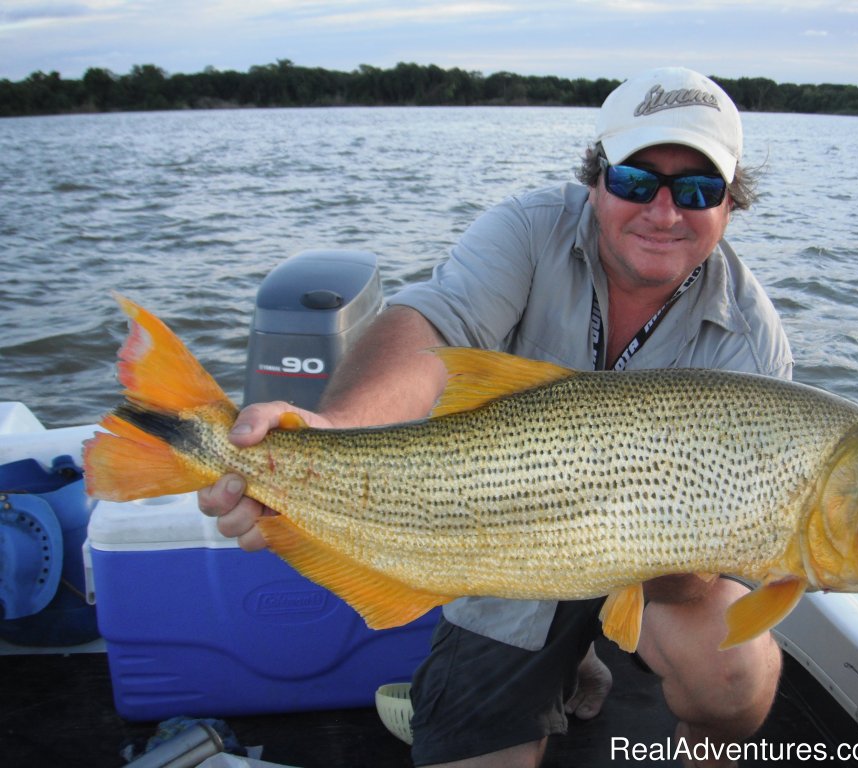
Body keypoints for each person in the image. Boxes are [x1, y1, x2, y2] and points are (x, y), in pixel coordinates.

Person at [199, 66, 792, 768]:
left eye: (697, 190)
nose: (663, 213)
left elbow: (718, 562)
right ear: (597, 180)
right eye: (636, 181)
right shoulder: (528, 228)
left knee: (738, 675)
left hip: (657, 575)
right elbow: (431, 327)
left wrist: (651, 549)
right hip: (506, 538)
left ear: (730, 205)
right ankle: (565, 666)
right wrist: (335, 434)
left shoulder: (753, 340)